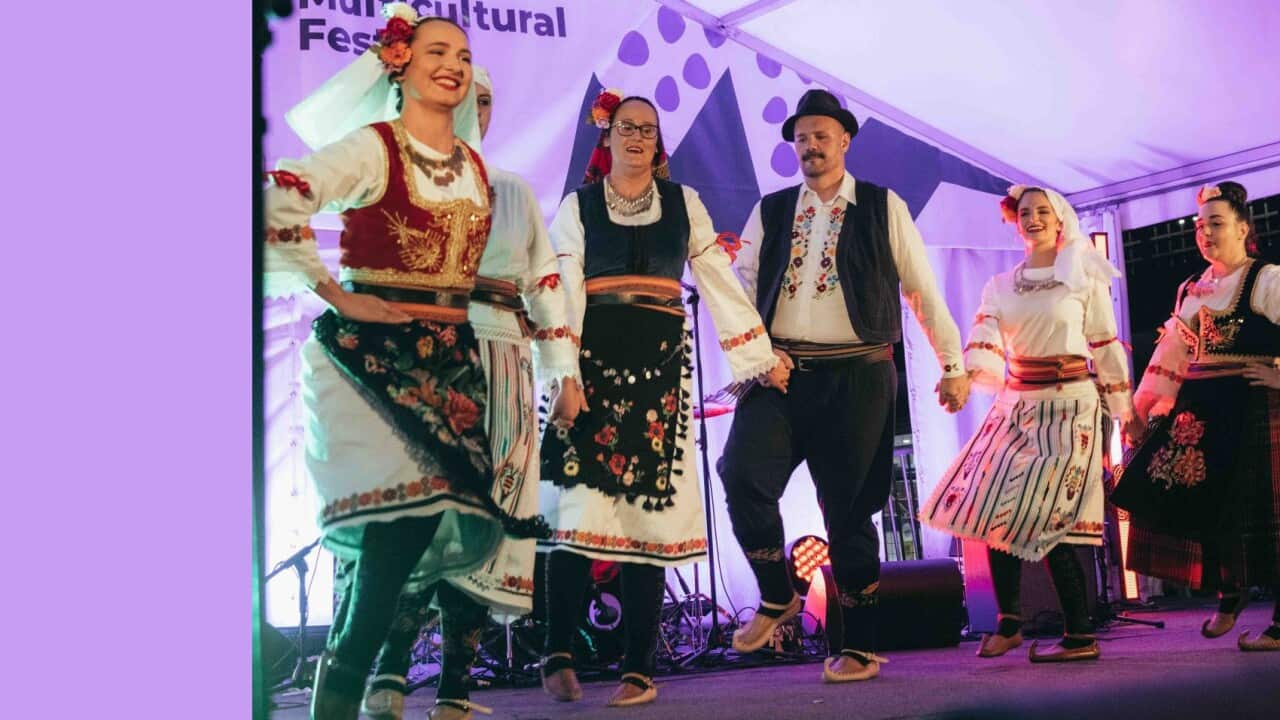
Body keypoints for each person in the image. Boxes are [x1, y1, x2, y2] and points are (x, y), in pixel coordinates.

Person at [265, 6, 539, 718]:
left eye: (463, 53)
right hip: (368, 359)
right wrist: (332, 292)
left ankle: (346, 679)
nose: (453, 64)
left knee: (410, 525)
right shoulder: (372, 147)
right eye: (435, 51)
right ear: (400, 65)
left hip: (448, 362)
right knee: (397, 522)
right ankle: (349, 682)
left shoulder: (476, 167)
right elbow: (279, 193)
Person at [537, 88, 787, 707]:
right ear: (608, 135)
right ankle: (558, 649)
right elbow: (563, 287)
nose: (637, 137)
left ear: (658, 141)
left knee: (646, 516)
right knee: (577, 514)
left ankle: (638, 669)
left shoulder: (684, 202)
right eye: (626, 127)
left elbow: (717, 279)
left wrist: (757, 357)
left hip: (659, 364)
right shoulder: (580, 205)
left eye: (647, 129)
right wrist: (562, 374)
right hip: (592, 362)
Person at [719, 88, 969, 683]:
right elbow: (738, 290)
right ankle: (778, 593)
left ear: (845, 140)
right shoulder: (772, 211)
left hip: (858, 374)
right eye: (801, 137)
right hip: (780, 373)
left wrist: (953, 363)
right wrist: (757, 356)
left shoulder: (883, 207)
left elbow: (921, 289)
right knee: (741, 474)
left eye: (820, 135)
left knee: (851, 511)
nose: (810, 145)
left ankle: (858, 645)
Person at [357, 66, 582, 720]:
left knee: (496, 519)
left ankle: (454, 687)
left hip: (506, 357)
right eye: (461, 97)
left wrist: (561, 372)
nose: (473, 110)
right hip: (434, 355)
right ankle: (390, 675)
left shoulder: (511, 191)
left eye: (484, 100)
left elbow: (544, 286)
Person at [919, 185, 1141, 662]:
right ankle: (1010, 624)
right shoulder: (1000, 284)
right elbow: (984, 334)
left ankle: (1080, 635)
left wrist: (1125, 409)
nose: (1034, 218)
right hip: (1017, 404)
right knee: (989, 504)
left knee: (1052, 516)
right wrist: (962, 377)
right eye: (1025, 212)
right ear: (1013, 221)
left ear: (1060, 219)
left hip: (1071, 404)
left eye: (1043, 211)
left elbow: (1104, 343)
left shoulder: (1083, 275)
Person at [1111, 180, 1280, 652]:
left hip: (1255, 407)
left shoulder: (1266, 279)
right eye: (1199, 226)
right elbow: (1171, 353)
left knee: (1270, 513)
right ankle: (1231, 591)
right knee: (1206, 506)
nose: (1205, 233)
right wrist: (1140, 409)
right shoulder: (1193, 288)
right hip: (1202, 412)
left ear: (1244, 227)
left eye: (1217, 223)